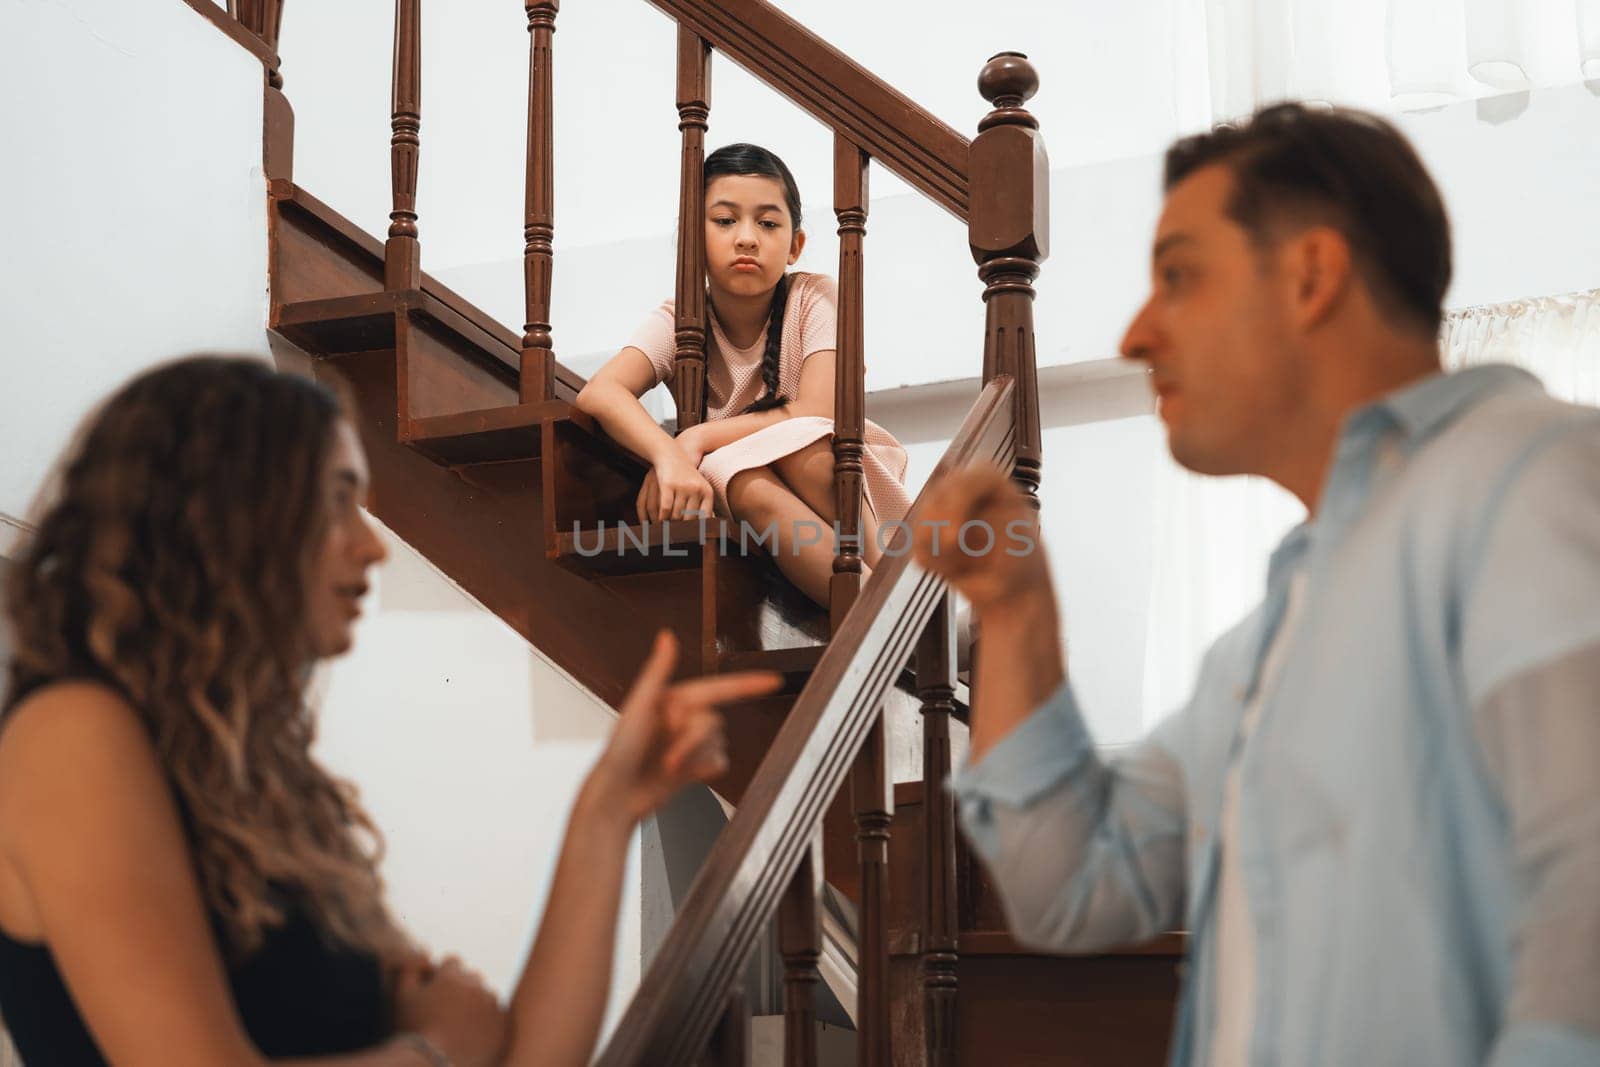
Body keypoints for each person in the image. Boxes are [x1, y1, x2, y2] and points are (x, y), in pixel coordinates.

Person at [913, 103, 1600, 1066]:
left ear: (1312, 275)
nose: (1138, 332)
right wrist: (1018, 610)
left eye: (1179, 277)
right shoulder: (1261, 646)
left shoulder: (1539, 481)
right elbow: (1073, 885)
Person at [0, 355, 781, 1066]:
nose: (371, 546)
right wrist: (434, 1049)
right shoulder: (73, 732)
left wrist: (607, 807)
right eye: (339, 501)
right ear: (226, 518)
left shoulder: (268, 785)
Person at [574, 143, 911, 608]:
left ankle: (905, 594)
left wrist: (694, 440)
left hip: (837, 477)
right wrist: (668, 456)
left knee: (799, 444)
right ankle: (887, 616)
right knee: (736, 475)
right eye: (725, 221)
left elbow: (815, 411)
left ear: (795, 246)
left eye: (768, 223)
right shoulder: (681, 319)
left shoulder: (816, 297)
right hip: (754, 498)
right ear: (693, 239)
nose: (747, 238)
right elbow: (601, 392)